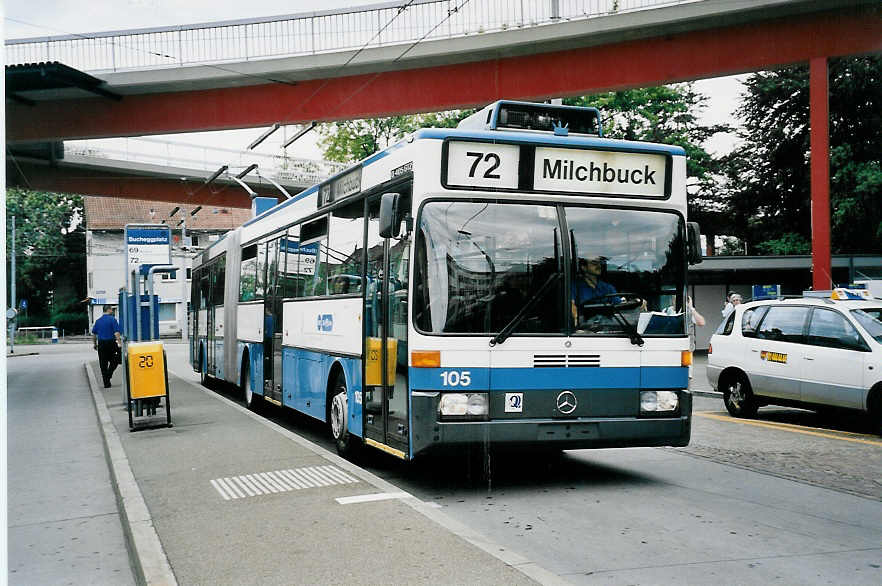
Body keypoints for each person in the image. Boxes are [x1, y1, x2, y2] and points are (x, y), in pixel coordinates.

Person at [571, 256, 616, 322]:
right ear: (584, 268)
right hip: (584, 326)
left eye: (599, 263)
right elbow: (571, 307)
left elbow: (618, 307)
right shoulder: (575, 286)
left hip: (607, 325)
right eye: (594, 263)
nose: (598, 265)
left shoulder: (608, 287)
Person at [92, 305, 122, 388]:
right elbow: (116, 333)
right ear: (108, 310)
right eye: (111, 310)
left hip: (101, 344)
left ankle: (106, 383)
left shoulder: (98, 321)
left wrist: (95, 344)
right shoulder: (112, 320)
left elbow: (94, 334)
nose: (112, 311)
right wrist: (119, 343)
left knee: (103, 363)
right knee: (117, 359)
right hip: (111, 343)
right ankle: (109, 374)